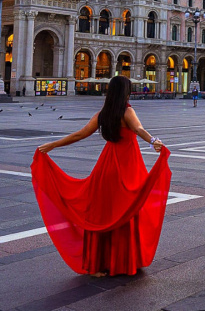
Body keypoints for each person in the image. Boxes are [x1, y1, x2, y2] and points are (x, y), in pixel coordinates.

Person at [31, 75, 171, 277]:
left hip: (106, 167)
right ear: (126, 92)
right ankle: (123, 261)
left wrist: (53, 144)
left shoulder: (102, 114)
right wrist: (154, 141)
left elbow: (79, 134)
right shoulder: (127, 111)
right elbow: (139, 129)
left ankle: (96, 265)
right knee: (127, 211)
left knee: (102, 212)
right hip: (127, 166)